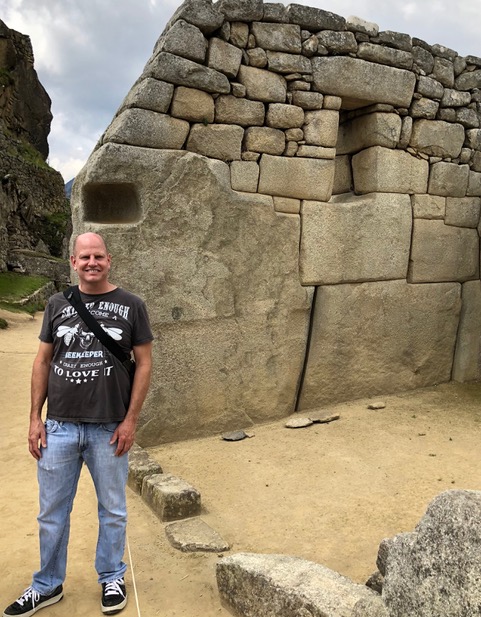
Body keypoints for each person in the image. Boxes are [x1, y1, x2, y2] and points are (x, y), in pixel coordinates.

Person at [3, 232, 153, 617]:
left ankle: (111, 576)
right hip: (60, 427)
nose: (91, 263)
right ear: (73, 261)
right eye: (84, 257)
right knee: (52, 511)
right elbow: (42, 362)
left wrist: (131, 420)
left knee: (113, 509)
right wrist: (34, 419)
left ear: (109, 259)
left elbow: (145, 364)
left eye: (98, 256)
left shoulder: (132, 305)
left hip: (109, 427)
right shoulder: (57, 304)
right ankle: (47, 584)